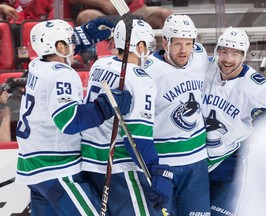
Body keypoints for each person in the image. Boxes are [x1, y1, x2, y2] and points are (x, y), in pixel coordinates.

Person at [15, 19, 132, 215]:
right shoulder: (63, 75)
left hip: (33, 170)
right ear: (60, 46)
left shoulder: (37, 65)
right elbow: (69, 121)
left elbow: (55, 51)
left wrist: (82, 37)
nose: (73, 44)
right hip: (56, 169)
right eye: (69, 41)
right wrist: (106, 106)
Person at [81, 17, 174, 215]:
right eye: (148, 45)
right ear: (139, 45)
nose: (149, 51)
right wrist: (153, 171)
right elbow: (138, 137)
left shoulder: (99, 64)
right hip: (119, 167)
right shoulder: (141, 80)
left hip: (89, 161)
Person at [201, 26, 266, 215]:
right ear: (217, 51)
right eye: (224, 52)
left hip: (230, 162)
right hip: (198, 160)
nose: (228, 59)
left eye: (235, 54)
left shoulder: (256, 87)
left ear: (243, 56)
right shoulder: (202, 68)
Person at [144, 14, 211, 215]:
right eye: (178, 44)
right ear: (165, 42)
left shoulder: (199, 56)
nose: (184, 50)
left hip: (197, 161)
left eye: (188, 44)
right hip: (164, 163)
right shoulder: (147, 71)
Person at [69, 0, 172, 28]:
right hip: (101, 15)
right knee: (85, 17)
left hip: (134, 12)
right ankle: (93, 59)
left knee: (164, 15)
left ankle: (159, 56)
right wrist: (101, 3)